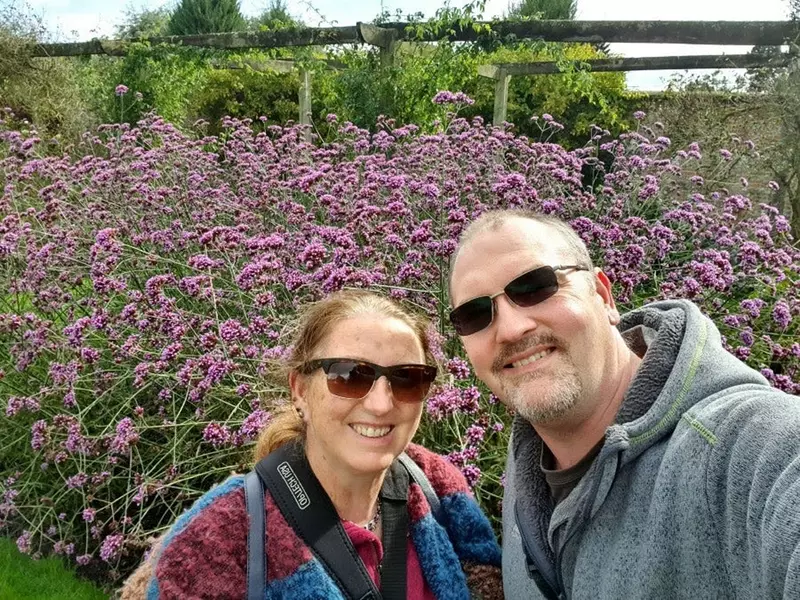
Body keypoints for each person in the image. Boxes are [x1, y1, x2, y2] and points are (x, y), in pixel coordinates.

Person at [447, 209, 800, 599]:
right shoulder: (527, 461)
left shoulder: (750, 448)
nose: (512, 328)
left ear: (603, 295)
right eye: (475, 314)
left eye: (535, 287)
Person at [121, 290, 502, 600]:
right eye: (350, 376)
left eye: (407, 379)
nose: (382, 403)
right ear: (300, 390)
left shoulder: (439, 489)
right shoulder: (225, 535)